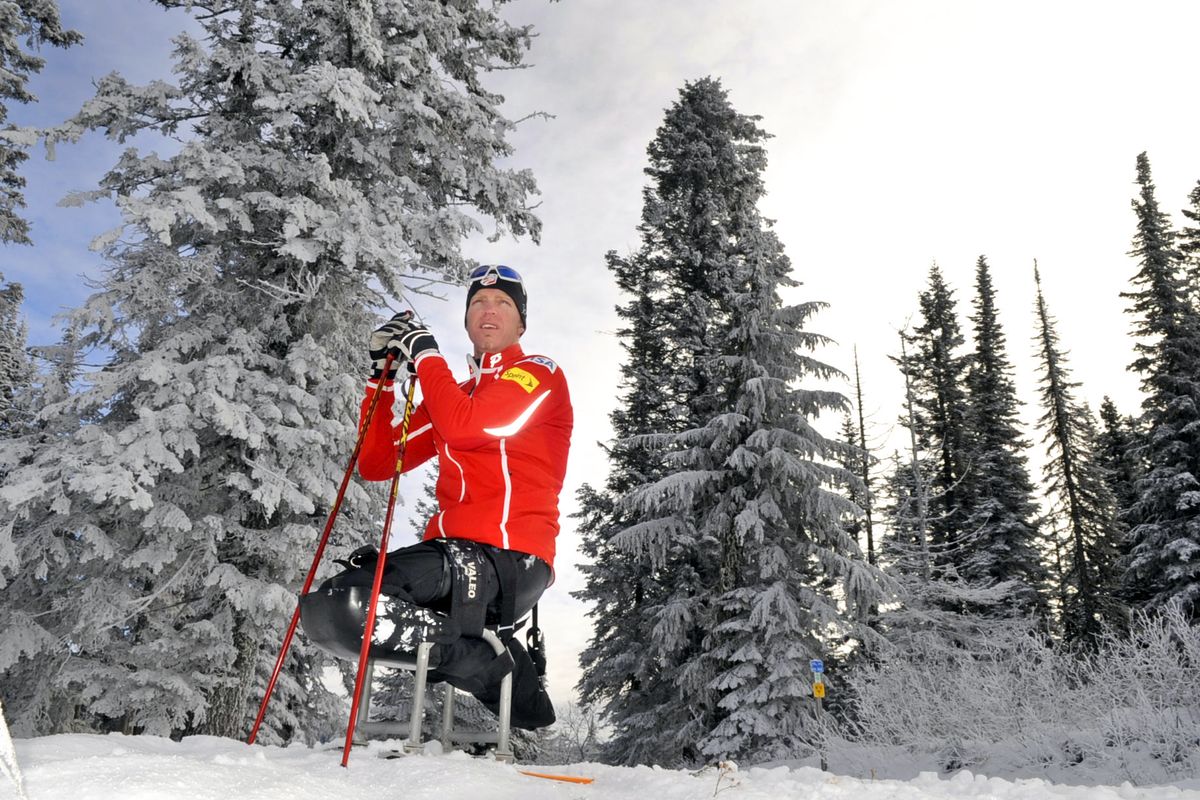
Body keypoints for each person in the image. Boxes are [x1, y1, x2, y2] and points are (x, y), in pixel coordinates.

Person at [313, 264, 572, 730]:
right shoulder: (458, 394)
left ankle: (493, 666)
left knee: (359, 601)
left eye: (502, 303)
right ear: (468, 319)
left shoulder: (538, 374)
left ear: (521, 323)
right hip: (455, 553)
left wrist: (426, 354)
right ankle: (498, 666)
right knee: (338, 604)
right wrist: (382, 378)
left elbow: (468, 427)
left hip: (513, 557)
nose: (488, 310)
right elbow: (377, 463)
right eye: (478, 302)